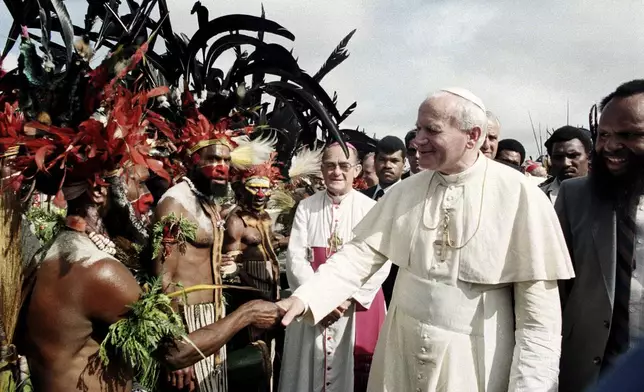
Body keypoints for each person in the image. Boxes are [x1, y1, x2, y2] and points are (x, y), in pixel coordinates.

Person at [277, 87, 574, 392]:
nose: (417, 140)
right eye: (418, 128)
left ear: (472, 136)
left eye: (431, 130)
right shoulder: (406, 191)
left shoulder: (520, 195)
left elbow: (539, 323)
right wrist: (306, 297)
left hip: (472, 364)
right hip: (400, 352)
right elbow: (359, 256)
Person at [9, 90, 282, 392]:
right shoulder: (98, 271)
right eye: (133, 182)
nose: (143, 193)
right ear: (100, 192)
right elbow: (175, 352)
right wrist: (247, 314)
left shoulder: (57, 253)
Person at [153, 111, 275, 391]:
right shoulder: (174, 204)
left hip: (212, 320)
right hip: (186, 324)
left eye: (226, 160)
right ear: (193, 162)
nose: (221, 167)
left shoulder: (206, 202)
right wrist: (176, 346)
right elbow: (162, 281)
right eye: (213, 159)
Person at [279, 143, 390, 392]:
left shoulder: (371, 209)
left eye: (343, 166)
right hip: (312, 307)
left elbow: (382, 262)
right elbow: (296, 258)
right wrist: (320, 300)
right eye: (330, 165)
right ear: (322, 169)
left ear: (357, 170)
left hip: (355, 308)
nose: (336, 172)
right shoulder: (306, 207)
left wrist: (343, 298)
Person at [556, 80, 644, 392]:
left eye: (629, 135)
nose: (609, 146)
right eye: (603, 135)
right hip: (588, 374)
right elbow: (554, 291)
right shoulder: (574, 196)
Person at [539, 126, 591, 204]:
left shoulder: (607, 194)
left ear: (589, 157)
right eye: (558, 157)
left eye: (573, 156)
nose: (565, 163)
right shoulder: (538, 196)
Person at [361, 136, 406, 201]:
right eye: (382, 159)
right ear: (375, 161)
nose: (387, 165)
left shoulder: (412, 199)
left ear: (403, 163)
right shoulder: (363, 197)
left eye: (394, 161)